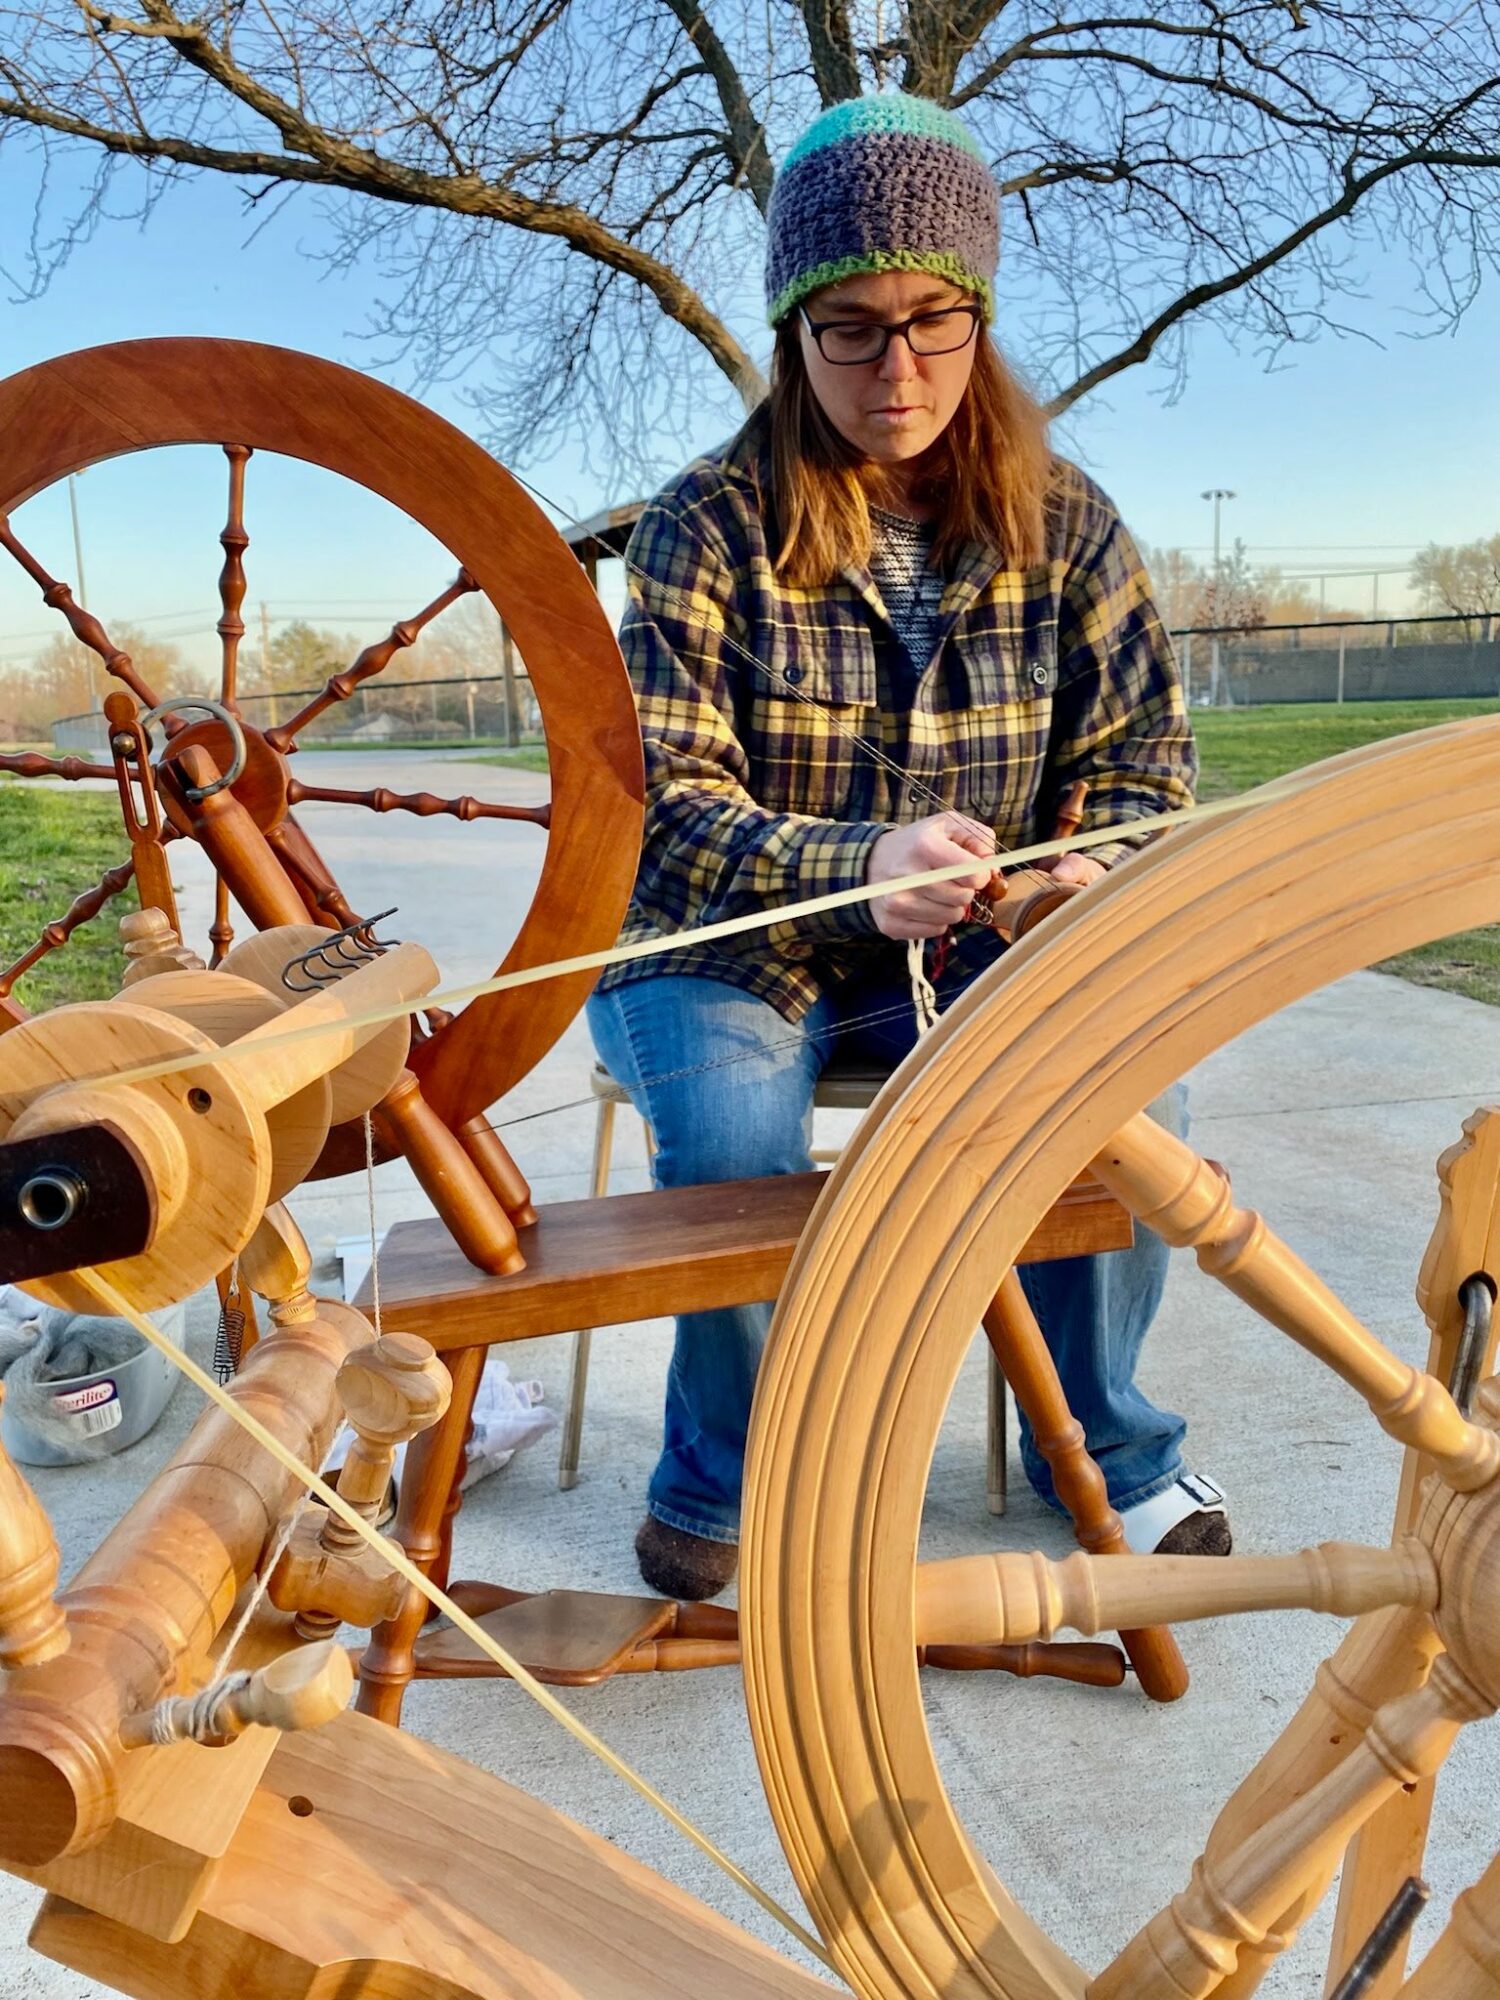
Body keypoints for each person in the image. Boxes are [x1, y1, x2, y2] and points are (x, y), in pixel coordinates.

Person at [586, 92, 1229, 1603]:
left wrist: (1080, 878)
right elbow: (667, 801)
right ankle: (725, 1480)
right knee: (738, 1146)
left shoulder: (1071, 525)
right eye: (851, 329)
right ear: (793, 331)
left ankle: (1115, 1451)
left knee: (1130, 1083)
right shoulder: (702, 526)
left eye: (935, 322)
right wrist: (856, 868)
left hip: (975, 937)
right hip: (725, 950)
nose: (899, 366)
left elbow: (1151, 776)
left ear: (980, 318)